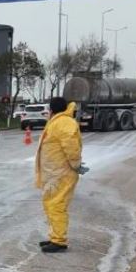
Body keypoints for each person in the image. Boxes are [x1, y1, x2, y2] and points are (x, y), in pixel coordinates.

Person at [35, 97, 83, 253]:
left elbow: (72, 147)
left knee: (57, 205)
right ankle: (54, 236)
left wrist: (76, 165)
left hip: (62, 173)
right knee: (51, 204)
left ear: (52, 109)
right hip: (55, 173)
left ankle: (59, 241)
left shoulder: (63, 123)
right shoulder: (59, 121)